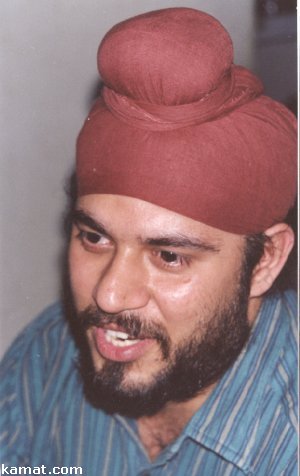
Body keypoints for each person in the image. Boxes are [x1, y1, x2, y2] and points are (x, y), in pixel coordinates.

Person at [0, 7, 297, 475]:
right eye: (94, 237)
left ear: (266, 260)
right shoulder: (46, 356)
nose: (109, 294)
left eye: (169, 255)